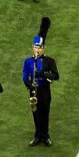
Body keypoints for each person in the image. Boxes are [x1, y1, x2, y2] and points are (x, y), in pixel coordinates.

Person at [23, 17, 58, 146]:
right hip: (33, 91)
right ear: (33, 48)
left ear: (43, 48)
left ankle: (45, 135)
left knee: (45, 114)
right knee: (36, 114)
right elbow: (25, 76)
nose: (37, 49)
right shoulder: (28, 61)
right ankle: (38, 136)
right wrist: (29, 86)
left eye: (40, 47)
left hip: (44, 90)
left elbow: (56, 75)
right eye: (35, 47)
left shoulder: (49, 61)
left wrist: (42, 74)